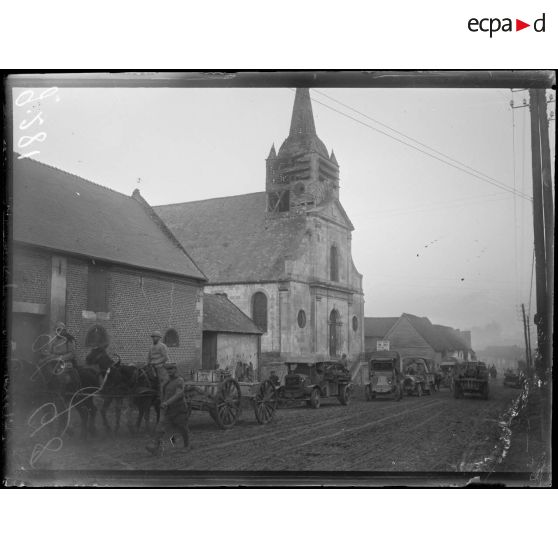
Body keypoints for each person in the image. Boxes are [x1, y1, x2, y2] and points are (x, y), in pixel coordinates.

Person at [145, 363, 190, 456]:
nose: (169, 371)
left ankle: (187, 445)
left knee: (183, 428)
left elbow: (179, 394)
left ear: (175, 370)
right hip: (168, 410)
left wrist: (166, 403)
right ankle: (155, 446)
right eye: (168, 370)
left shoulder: (179, 380)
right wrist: (162, 402)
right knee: (162, 427)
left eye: (171, 369)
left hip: (179, 409)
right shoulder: (166, 381)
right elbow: (163, 394)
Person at [146, 330, 168, 398]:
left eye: (155, 337)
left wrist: (156, 362)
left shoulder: (162, 346)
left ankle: (162, 395)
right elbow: (149, 357)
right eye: (153, 337)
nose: (153, 338)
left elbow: (165, 357)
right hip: (151, 366)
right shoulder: (151, 346)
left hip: (160, 366)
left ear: (159, 338)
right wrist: (147, 363)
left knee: (162, 382)